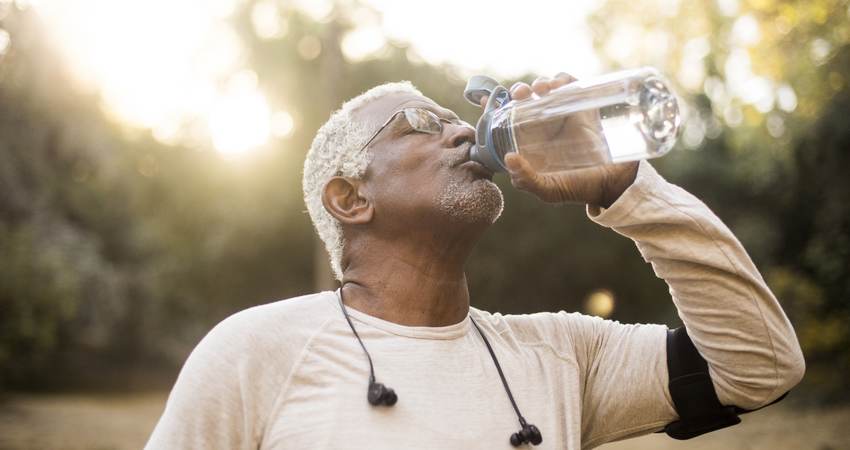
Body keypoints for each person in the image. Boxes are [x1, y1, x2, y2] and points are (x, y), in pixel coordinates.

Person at [145, 73, 805, 449]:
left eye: (453, 119)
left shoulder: (563, 354)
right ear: (350, 198)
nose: (462, 129)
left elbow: (761, 366)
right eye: (419, 124)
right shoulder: (255, 351)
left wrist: (625, 189)